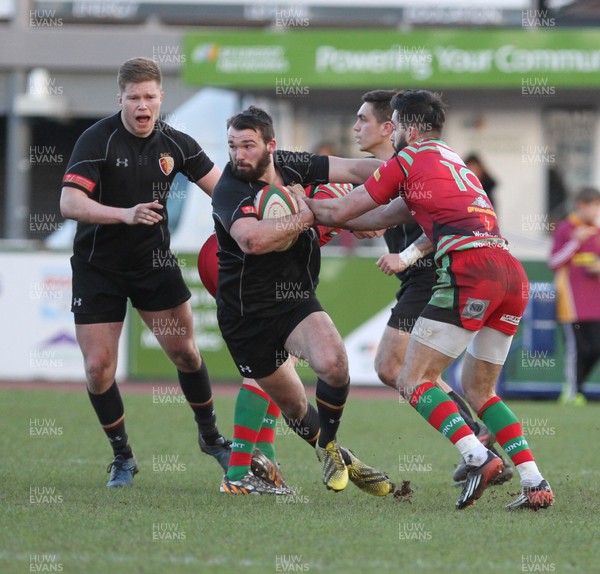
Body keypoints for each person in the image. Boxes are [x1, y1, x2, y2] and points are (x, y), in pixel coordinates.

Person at [305, 89, 554, 511]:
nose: (394, 133)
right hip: (510, 272)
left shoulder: (407, 159)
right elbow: (385, 216)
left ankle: (478, 457)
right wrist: (394, 248)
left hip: (469, 273)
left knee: (411, 378)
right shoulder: (454, 160)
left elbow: (340, 211)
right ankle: (535, 483)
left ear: (409, 128)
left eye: (397, 126)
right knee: (480, 390)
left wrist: (293, 203)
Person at [60, 57, 230, 488]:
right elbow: (70, 204)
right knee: (99, 368)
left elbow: (224, 190)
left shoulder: (175, 142)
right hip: (98, 269)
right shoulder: (96, 140)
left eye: (150, 97)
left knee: (187, 354)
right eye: (134, 97)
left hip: (154, 266)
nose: (142, 105)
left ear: (161, 98)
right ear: (120, 99)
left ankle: (211, 437)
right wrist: (124, 213)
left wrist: (265, 212)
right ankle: (122, 457)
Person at [212, 105, 394, 496]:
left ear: (271, 146)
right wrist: (314, 214)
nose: (238, 155)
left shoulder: (293, 165)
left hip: (295, 300)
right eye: (232, 146)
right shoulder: (229, 188)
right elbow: (253, 240)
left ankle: (322, 448)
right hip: (247, 315)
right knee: (294, 407)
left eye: (247, 145)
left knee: (334, 363)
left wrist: (401, 176)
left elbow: (359, 171)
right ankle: (335, 454)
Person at [354, 89, 512, 486]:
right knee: (410, 372)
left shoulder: (411, 163)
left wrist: (402, 253)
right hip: (431, 277)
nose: (356, 127)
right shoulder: (396, 165)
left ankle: (476, 441)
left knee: (396, 369)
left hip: (432, 276)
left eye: (363, 120)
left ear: (391, 127)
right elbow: (348, 179)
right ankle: (480, 439)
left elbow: (436, 225)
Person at [549, 186, 600, 405]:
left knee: (595, 347)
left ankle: (576, 385)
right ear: (582, 205)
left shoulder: (596, 230)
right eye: (595, 206)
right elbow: (554, 262)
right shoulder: (566, 228)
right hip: (572, 303)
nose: (597, 211)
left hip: (595, 302)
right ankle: (572, 391)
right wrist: (575, 241)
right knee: (576, 349)